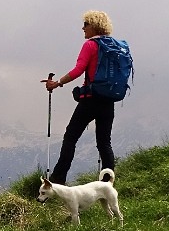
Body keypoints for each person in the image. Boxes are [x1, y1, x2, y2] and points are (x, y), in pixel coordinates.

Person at [41, 10, 120, 183]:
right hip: (108, 100)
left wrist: (57, 83)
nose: (82, 28)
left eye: (86, 24)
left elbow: (79, 69)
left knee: (70, 137)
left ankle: (57, 180)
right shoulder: (114, 46)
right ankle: (108, 184)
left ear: (94, 26)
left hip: (90, 99)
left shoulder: (90, 45)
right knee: (104, 142)